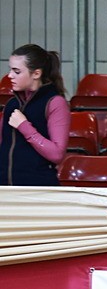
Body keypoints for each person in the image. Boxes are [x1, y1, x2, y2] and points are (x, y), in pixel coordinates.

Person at [1, 44, 69, 186]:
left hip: (38, 190)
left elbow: (57, 154)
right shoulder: (12, 104)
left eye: (17, 71)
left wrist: (24, 126)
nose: (9, 76)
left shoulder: (55, 102)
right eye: (10, 70)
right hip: (6, 190)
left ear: (36, 74)